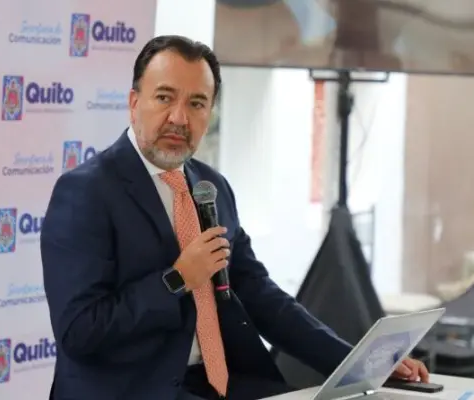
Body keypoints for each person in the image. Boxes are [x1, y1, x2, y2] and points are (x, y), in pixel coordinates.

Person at [40, 35, 428, 400]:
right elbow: (79, 331)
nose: (179, 117)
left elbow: (261, 296)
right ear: (133, 102)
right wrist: (177, 279)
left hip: (221, 382)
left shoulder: (211, 187)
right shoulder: (86, 192)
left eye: (197, 103)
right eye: (164, 97)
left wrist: (361, 364)